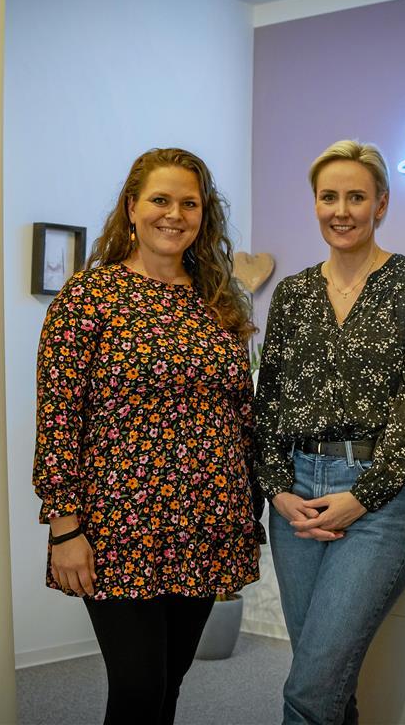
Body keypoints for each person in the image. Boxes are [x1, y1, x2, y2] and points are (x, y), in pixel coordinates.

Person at [32, 147, 263, 725]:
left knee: (170, 687)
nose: (175, 214)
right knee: (138, 687)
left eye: (190, 203)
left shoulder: (218, 302)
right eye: (160, 200)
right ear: (132, 208)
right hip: (118, 525)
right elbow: (59, 417)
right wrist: (65, 526)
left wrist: (250, 507)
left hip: (206, 521)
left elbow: (241, 415)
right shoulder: (88, 299)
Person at [253, 140, 405, 725]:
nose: (342, 210)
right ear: (314, 204)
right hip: (295, 499)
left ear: (381, 204)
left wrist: (361, 498)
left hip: (378, 499)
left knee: (310, 688)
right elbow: (268, 405)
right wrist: (277, 490)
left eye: (356, 197)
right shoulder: (292, 293)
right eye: (328, 196)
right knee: (329, 679)